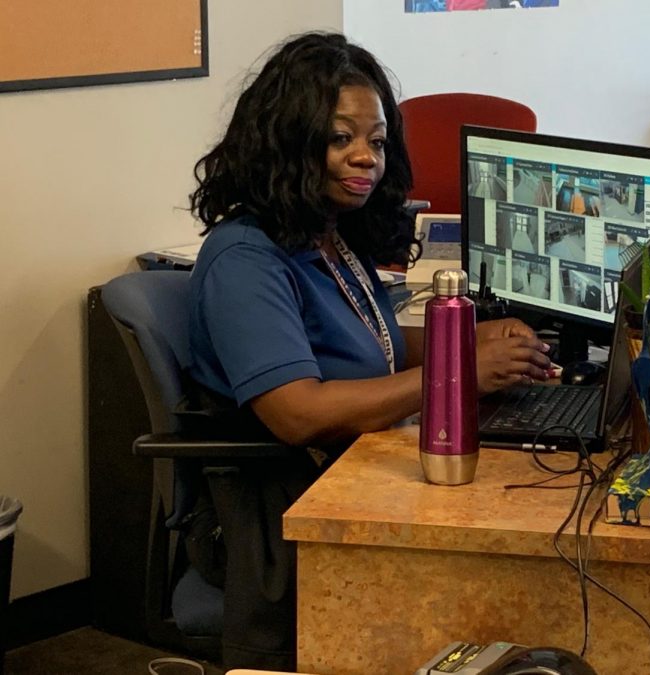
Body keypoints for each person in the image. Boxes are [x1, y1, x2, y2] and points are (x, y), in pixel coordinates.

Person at [185, 31, 551, 670]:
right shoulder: (246, 258)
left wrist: (466, 338)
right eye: (340, 139)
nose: (365, 159)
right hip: (287, 512)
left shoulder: (325, 235)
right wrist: (454, 370)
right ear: (290, 142)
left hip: (350, 475)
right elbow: (297, 413)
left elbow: (368, 346)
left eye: (377, 142)